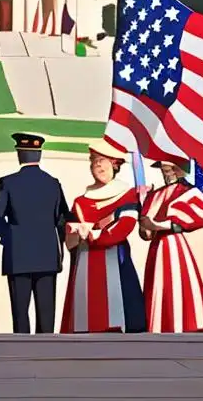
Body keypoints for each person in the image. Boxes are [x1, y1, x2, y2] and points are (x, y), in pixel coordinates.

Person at [0, 133, 70, 334]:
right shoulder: (53, 183)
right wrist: (59, 247)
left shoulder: (8, 183)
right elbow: (62, 219)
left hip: (18, 256)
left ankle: (22, 352)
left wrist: (9, 236)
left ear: (19, 154)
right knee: (46, 312)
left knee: (20, 312)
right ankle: (47, 352)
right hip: (47, 255)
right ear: (39, 155)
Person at [59, 142, 145, 334]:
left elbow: (125, 226)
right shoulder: (81, 201)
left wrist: (94, 233)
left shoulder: (126, 195)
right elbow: (70, 234)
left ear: (115, 164)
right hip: (85, 262)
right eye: (94, 161)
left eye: (102, 161)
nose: (98, 166)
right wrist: (75, 231)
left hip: (115, 258)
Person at [139, 159, 203, 333]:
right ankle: (159, 322)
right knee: (158, 284)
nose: (166, 174)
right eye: (164, 170)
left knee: (179, 282)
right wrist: (145, 223)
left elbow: (196, 217)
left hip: (174, 244)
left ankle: (186, 322)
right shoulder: (155, 195)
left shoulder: (185, 191)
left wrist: (160, 225)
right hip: (157, 247)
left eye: (169, 170)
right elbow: (146, 232)